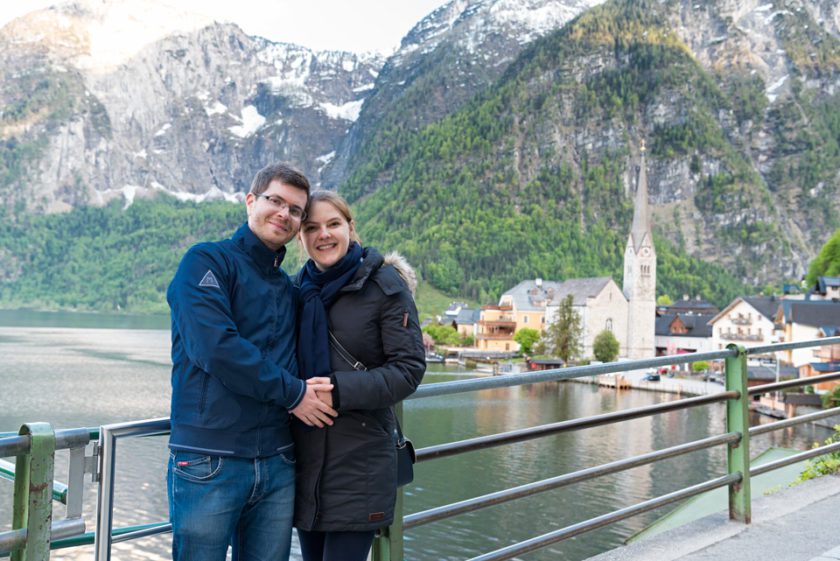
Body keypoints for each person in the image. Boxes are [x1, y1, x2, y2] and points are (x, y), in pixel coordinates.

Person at [166, 163, 337, 561]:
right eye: (275, 201)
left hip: (277, 461)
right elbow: (215, 349)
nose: (284, 214)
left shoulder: (286, 286)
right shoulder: (206, 262)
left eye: (295, 210)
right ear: (250, 201)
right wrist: (295, 393)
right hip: (210, 459)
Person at [293, 191, 426, 561]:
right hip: (306, 464)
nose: (324, 235)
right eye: (312, 227)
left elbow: (409, 369)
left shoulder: (385, 286)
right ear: (301, 238)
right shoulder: (298, 290)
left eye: (333, 224)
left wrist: (338, 391)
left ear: (351, 228)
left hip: (359, 465)